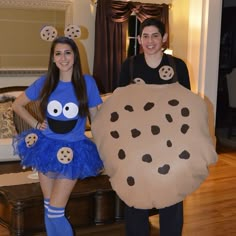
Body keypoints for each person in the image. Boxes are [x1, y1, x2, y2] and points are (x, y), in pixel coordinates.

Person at [12, 36, 103, 236]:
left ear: (75, 56)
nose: (63, 58)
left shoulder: (87, 82)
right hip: (46, 148)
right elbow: (17, 105)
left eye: (68, 53)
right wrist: (36, 123)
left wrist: (102, 146)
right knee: (49, 206)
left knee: (55, 211)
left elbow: (96, 119)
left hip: (73, 151)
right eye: (58, 53)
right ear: (53, 58)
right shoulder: (46, 81)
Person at [119, 18, 191, 236]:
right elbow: (120, 105)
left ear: (164, 38)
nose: (150, 41)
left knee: (171, 199)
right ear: (140, 39)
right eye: (146, 36)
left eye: (155, 36)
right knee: (136, 200)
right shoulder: (130, 65)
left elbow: (186, 105)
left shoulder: (177, 66)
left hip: (170, 144)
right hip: (136, 143)